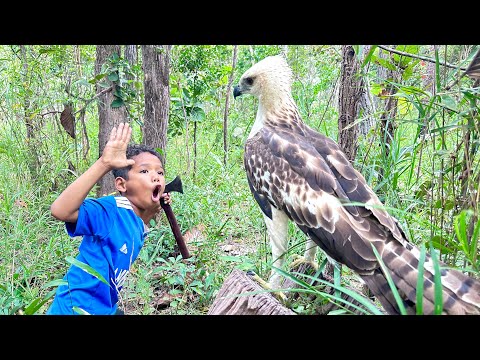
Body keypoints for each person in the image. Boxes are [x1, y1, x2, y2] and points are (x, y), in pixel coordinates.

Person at [46, 122, 172, 315]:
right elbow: (60, 210)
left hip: (105, 308)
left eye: (160, 172)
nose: (156, 177)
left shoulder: (137, 220)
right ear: (122, 185)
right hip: (76, 309)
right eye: (145, 171)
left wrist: (154, 207)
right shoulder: (111, 210)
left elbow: (135, 223)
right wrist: (104, 164)